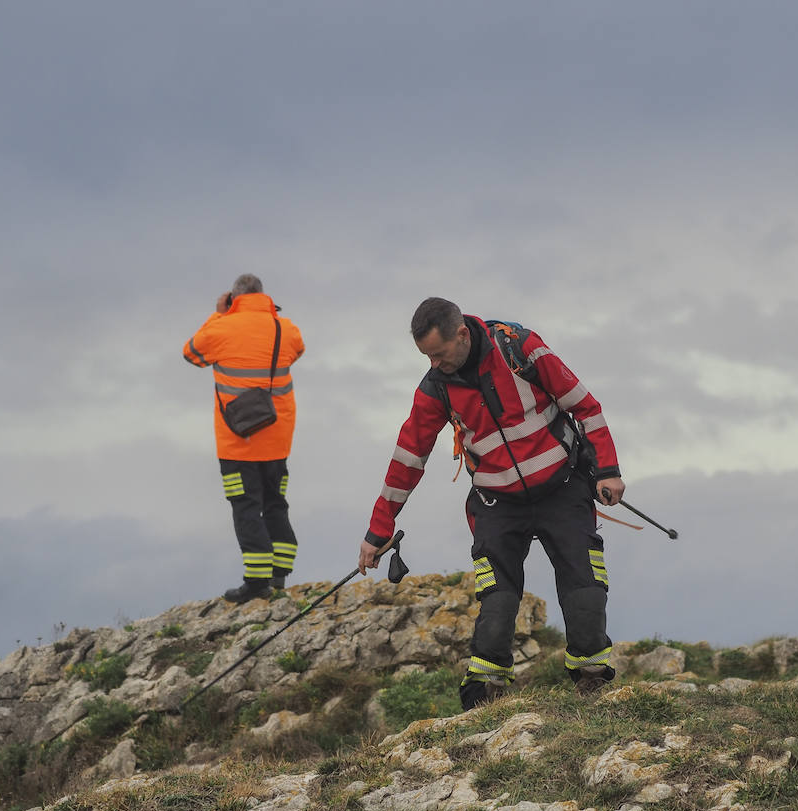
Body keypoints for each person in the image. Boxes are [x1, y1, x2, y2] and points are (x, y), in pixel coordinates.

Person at [358, 297, 627, 709]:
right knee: (497, 601)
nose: (434, 364)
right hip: (495, 503)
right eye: (427, 357)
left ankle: (591, 684)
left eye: (439, 354)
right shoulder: (435, 387)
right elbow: (408, 459)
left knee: (585, 590)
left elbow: (585, 406)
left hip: (564, 488)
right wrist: (378, 531)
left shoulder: (521, 348)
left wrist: (607, 469)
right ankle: (485, 699)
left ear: (462, 335)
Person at [184, 274, 306, 603]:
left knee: (246, 506)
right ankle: (279, 576)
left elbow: (191, 353)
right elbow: (297, 351)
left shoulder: (221, 328)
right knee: (275, 503)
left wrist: (221, 314)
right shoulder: (286, 328)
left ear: (234, 300)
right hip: (278, 437)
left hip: (237, 439)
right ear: (264, 296)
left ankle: (255, 583)